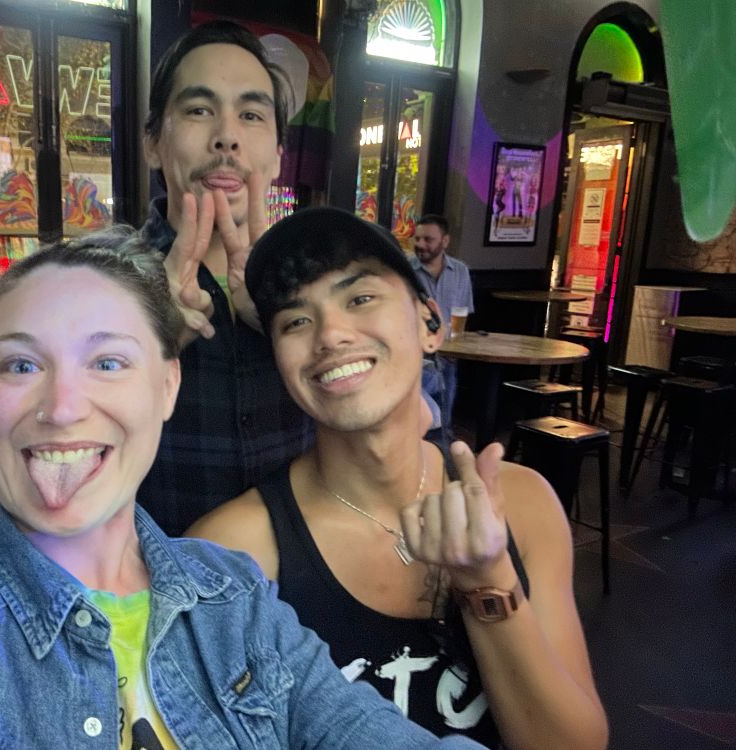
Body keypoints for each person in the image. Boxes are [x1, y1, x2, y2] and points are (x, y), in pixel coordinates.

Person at [0, 230, 485, 749]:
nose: (61, 407)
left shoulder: (235, 601)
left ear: (167, 386)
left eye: (108, 363)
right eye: (21, 365)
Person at [188, 207, 608, 750]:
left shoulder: (523, 504)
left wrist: (485, 579)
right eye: (296, 320)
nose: (331, 335)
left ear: (430, 324)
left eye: (359, 298)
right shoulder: (232, 552)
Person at [136, 20, 314, 536]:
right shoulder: (94, 283)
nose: (227, 138)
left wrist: (290, 325)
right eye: (198, 109)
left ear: (279, 156)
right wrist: (148, 343)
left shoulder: (319, 285)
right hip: (150, 591)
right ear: (152, 143)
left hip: (298, 600)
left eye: (252, 115)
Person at [411, 214, 474, 435]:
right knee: (424, 422)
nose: (420, 244)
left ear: (444, 241)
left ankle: (442, 448)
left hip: (448, 356)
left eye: (428, 239)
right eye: (417, 238)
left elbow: (464, 312)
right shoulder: (405, 270)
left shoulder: (460, 271)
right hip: (415, 356)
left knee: (443, 423)